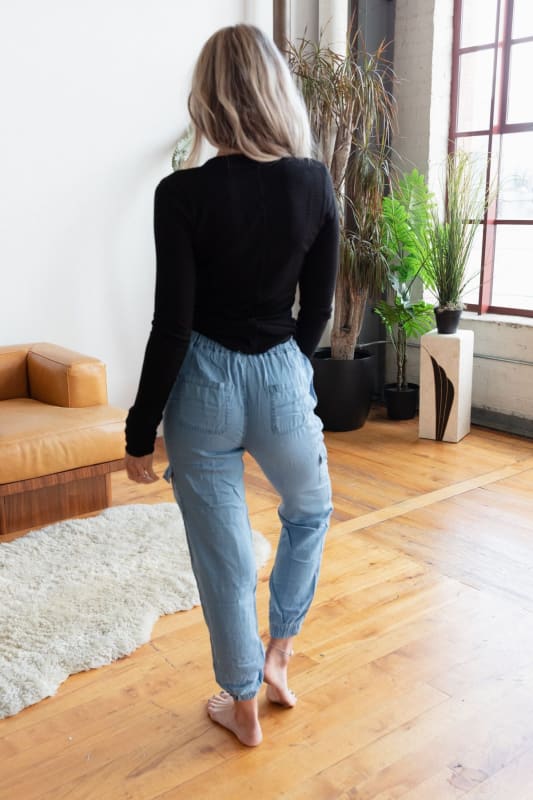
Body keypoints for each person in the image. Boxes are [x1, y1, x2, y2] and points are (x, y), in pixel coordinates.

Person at [124, 23, 339, 747]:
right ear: (275, 92)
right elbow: (319, 309)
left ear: (208, 99)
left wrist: (139, 432)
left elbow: (173, 325)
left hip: (203, 385)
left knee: (222, 555)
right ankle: (280, 654)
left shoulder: (179, 194)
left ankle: (242, 703)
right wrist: (288, 369)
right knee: (309, 511)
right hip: (281, 373)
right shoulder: (313, 183)